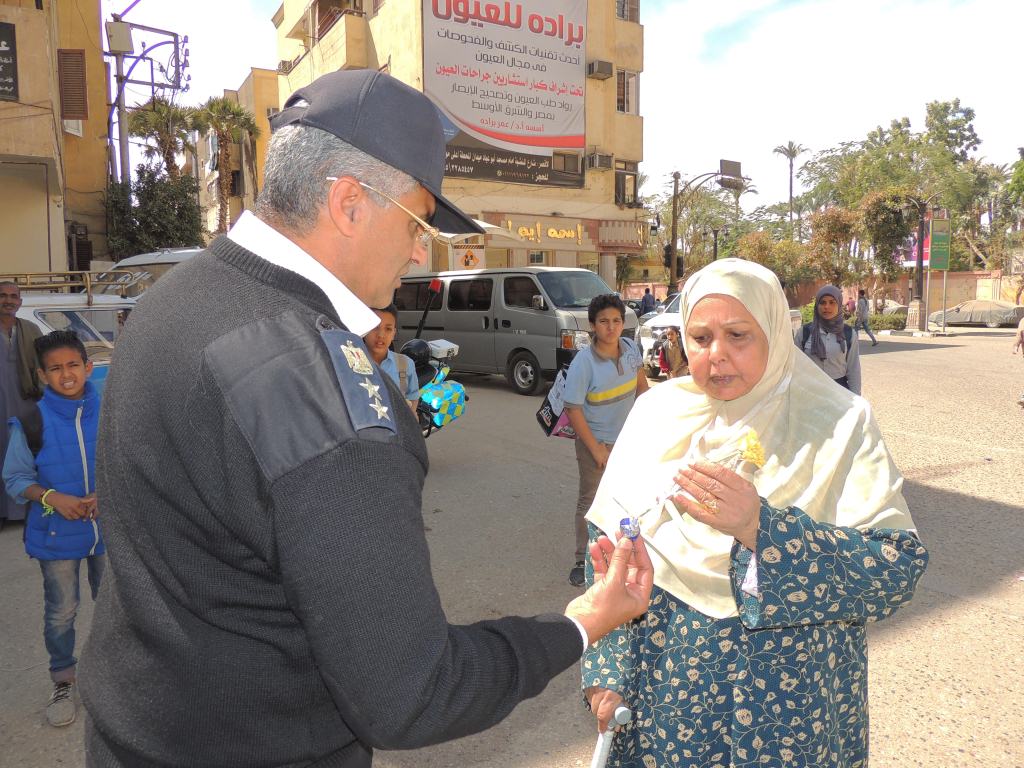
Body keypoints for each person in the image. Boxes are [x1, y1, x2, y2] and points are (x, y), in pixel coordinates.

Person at [78, 69, 654, 768]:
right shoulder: (324, 394)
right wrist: (585, 619)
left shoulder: (173, 301)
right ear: (349, 202)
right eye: (417, 222)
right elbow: (412, 694)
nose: (420, 252)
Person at [581, 258, 928, 767]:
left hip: (790, 718)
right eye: (699, 338)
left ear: (773, 333)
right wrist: (607, 673)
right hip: (669, 711)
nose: (716, 356)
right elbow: (609, 563)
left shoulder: (838, 423)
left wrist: (761, 528)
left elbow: (896, 570)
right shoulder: (657, 417)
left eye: (738, 335)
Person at [3, 330, 103, 728]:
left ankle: (113, 675)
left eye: (73, 365)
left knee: (115, 606)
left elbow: (130, 459)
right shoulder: (31, 421)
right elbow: (14, 478)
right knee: (62, 612)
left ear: (88, 367)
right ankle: (63, 679)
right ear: (43, 375)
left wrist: (106, 491)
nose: (66, 375)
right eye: (56, 368)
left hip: (108, 533)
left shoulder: (111, 409)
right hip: (56, 537)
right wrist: (52, 498)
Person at [563, 294, 648, 587]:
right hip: (595, 442)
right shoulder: (584, 363)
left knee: (629, 498)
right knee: (591, 499)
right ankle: (580, 559)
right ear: (592, 326)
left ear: (623, 323)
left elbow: (642, 389)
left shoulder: (630, 349)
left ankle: (624, 553)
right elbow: (572, 408)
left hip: (628, 441)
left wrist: (645, 430)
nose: (611, 327)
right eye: (603, 322)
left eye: (616, 321)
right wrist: (596, 448)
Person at [1, 280, 43, 528]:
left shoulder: (30, 329)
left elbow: (44, 364)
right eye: (2, 295)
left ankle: (23, 509)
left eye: (12, 296)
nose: (8, 300)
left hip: (25, 404)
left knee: (23, 454)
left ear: (20, 302)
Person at [798, 285, 862, 394]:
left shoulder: (848, 333)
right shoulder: (805, 332)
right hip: (809, 394)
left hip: (839, 394)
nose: (827, 306)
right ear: (817, 306)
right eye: (822, 302)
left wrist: (856, 399)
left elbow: (853, 369)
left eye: (832, 302)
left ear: (839, 304)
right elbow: (795, 367)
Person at [364, 304, 419, 411]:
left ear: (394, 333)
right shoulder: (350, 361)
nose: (381, 335)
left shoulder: (405, 364)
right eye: (375, 327)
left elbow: (413, 398)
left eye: (388, 329)